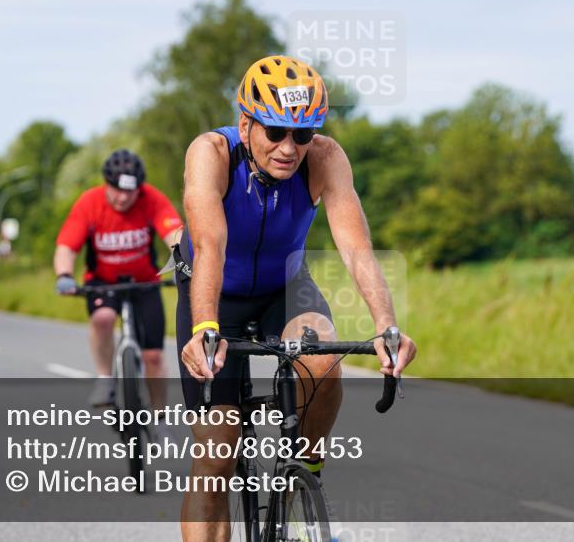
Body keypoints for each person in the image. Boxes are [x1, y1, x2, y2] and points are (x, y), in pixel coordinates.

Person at [175, 55, 417, 541]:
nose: (289, 148)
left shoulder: (325, 158)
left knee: (322, 361)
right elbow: (210, 246)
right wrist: (205, 329)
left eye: (302, 134)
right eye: (275, 132)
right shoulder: (211, 153)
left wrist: (387, 326)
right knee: (217, 453)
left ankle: (305, 479)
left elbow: (357, 249)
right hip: (214, 289)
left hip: (284, 285)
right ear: (246, 124)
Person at [54, 149, 183, 408]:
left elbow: (175, 236)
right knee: (103, 319)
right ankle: (104, 378)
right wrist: (65, 275)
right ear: (106, 184)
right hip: (103, 282)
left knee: (154, 356)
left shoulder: (152, 199)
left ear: (139, 188)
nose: (123, 198)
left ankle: (159, 418)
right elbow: (67, 246)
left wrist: (185, 261)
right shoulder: (89, 202)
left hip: (145, 282)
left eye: (130, 192)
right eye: (117, 190)